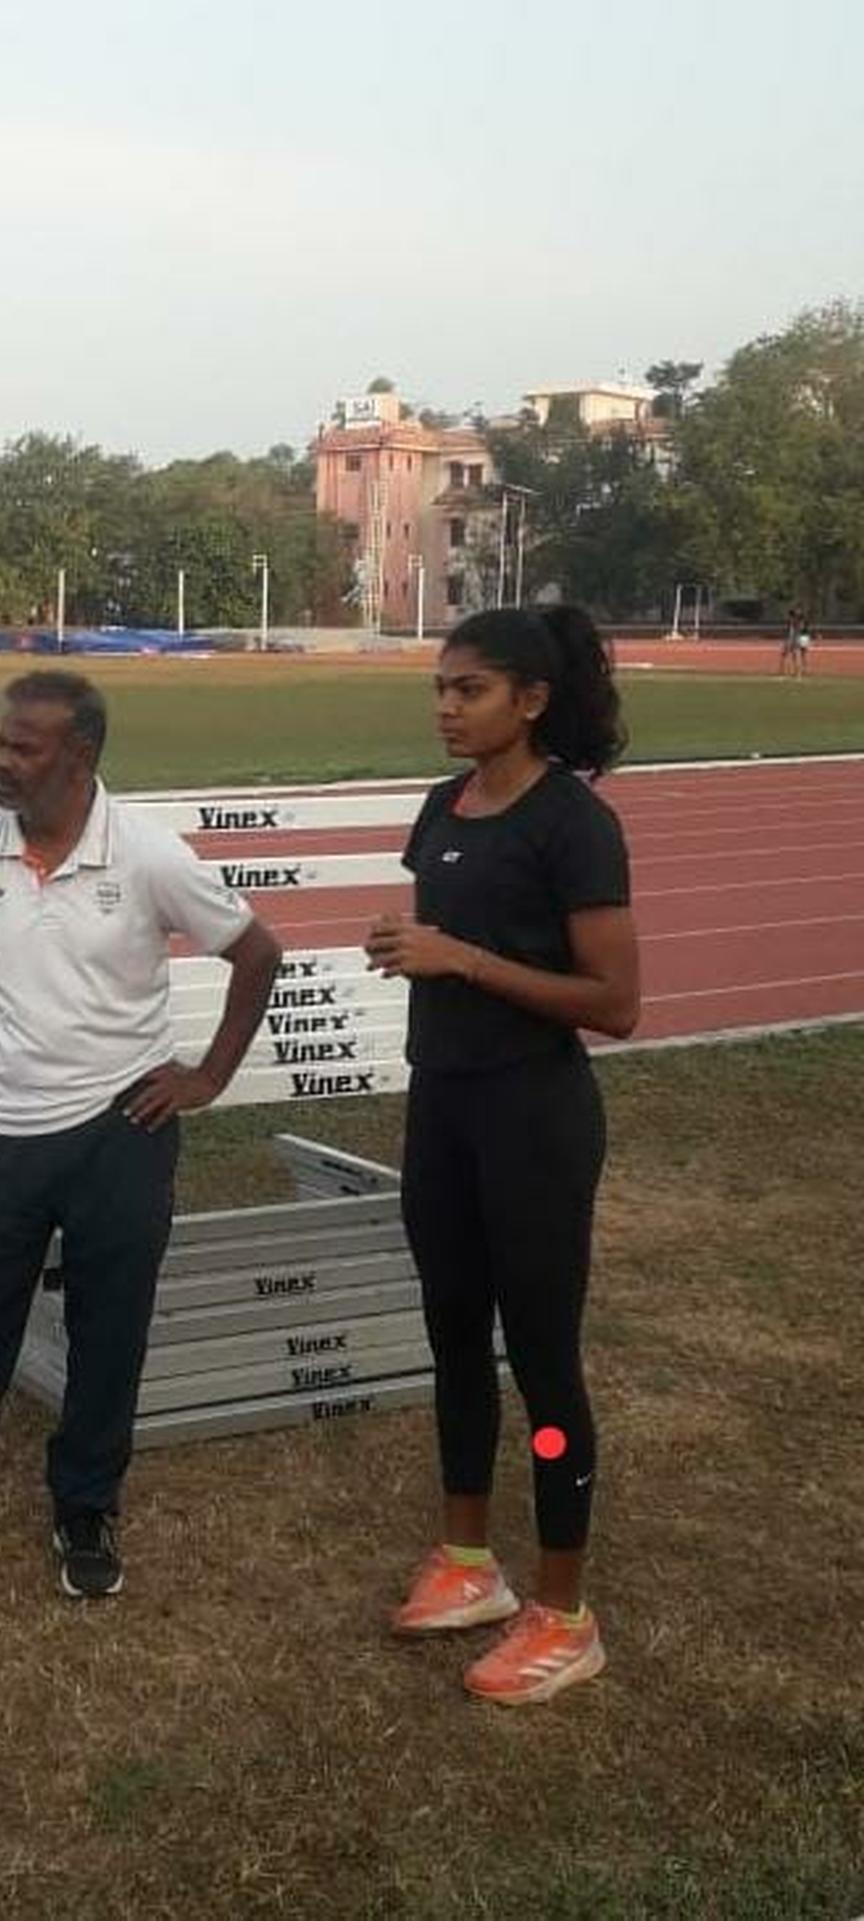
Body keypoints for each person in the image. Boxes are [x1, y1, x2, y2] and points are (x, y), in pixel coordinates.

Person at [0, 670, 282, 1609]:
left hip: (119, 1134)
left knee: (111, 1330)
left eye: (24, 748)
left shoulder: (145, 853)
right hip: (1, 1135)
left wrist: (206, 1076)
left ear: (82, 754)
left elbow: (257, 952)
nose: (2, 763)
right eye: (0, 744)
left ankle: (87, 1506)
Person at [364, 606, 640, 1706]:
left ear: (531, 700)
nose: (444, 704)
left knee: (545, 1362)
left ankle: (565, 1612)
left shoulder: (574, 824)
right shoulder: (445, 805)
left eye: (468, 688)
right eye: (439, 685)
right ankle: (469, 1561)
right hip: (446, 1107)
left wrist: (461, 958)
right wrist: (414, 953)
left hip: (535, 1119)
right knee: (452, 1337)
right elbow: (449, 944)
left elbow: (615, 1003)